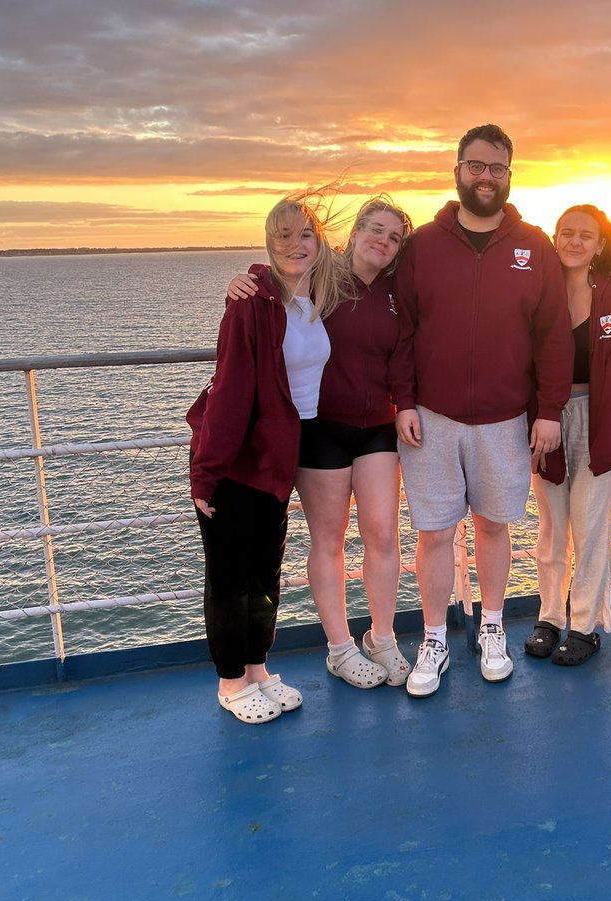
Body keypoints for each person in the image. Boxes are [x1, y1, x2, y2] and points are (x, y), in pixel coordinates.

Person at [392, 124, 573, 697]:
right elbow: (401, 330)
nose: (486, 177)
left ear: (510, 174)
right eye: (476, 166)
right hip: (433, 418)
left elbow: (552, 336)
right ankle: (435, 638)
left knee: (495, 526)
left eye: (497, 168)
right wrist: (402, 402)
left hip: (505, 419)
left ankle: (493, 627)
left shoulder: (534, 245)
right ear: (458, 171)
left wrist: (549, 410)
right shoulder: (421, 244)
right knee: (435, 534)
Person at [226, 198, 414, 689]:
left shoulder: (398, 291)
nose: (382, 240)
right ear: (354, 232)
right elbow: (279, 272)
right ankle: (339, 647)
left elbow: (406, 357)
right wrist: (243, 279)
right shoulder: (325, 276)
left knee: (383, 536)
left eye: (394, 237)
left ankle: (382, 637)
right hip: (318, 426)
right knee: (328, 541)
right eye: (375, 229)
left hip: (377, 427)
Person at [188, 194, 352, 723]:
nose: (295, 244)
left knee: (265, 575)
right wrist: (207, 474)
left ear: (319, 242)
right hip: (239, 463)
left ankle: (257, 669)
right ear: (268, 243)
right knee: (231, 578)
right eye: (283, 236)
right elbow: (232, 390)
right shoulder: (251, 302)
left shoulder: (308, 303)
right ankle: (231, 682)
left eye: (305, 234)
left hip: (280, 460)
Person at [522, 206, 611, 666]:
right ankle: (549, 615)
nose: (574, 242)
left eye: (586, 235)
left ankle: (585, 625)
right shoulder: (536, 292)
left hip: (597, 417)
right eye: (566, 233)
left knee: (591, 528)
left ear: (601, 245)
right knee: (550, 529)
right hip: (546, 419)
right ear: (554, 238)